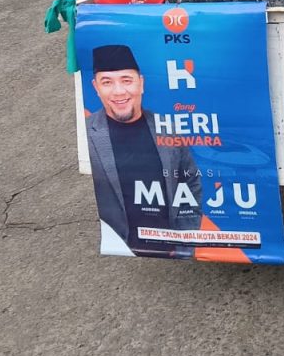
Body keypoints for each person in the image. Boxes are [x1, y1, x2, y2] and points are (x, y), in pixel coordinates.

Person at [86, 44, 202, 258]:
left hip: (172, 249)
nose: (119, 91)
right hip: (122, 250)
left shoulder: (168, 128)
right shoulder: (88, 133)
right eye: (107, 82)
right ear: (96, 87)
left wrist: (186, 243)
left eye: (126, 80)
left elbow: (190, 182)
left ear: (141, 83)